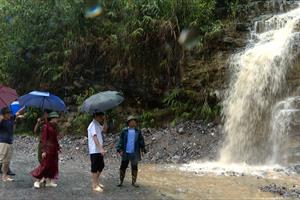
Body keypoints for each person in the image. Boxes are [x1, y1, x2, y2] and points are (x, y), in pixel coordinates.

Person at [31, 112, 61, 188]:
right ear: (53, 118)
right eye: (56, 118)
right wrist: (44, 150)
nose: (58, 119)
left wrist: (58, 147)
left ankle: (49, 181)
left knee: (53, 165)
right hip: (47, 149)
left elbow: (55, 139)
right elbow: (44, 139)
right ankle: (37, 181)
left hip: (53, 148)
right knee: (45, 165)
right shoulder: (46, 126)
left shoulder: (54, 127)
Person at [116, 115, 146, 187]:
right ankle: (121, 181)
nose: (133, 123)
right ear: (128, 123)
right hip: (126, 152)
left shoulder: (138, 131)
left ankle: (134, 182)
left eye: (134, 121)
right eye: (131, 121)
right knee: (123, 167)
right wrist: (119, 149)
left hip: (135, 152)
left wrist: (142, 149)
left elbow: (141, 141)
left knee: (134, 167)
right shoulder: (124, 131)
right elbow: (121, 141)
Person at [0, 107, 23, 181]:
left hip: (10, 142)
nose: (10, 114)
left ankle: (5, 176)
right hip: (2, 142)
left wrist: (26, 106)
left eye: (10, 113)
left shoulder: (11, 118)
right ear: (4, 114)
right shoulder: (1, 120)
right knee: (1, 159)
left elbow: (19, 112)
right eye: (8, 113)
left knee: (7, 161)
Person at [87, 111, 108, 192]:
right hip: (94, 150)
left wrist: (105, 120)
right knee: (95, 167)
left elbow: (105, 130)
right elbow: (95, 137)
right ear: (96, 116)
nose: (102, 117)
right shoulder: (92, 125)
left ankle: (96, 182)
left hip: (98, 150)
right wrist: (101, 149)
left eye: (102, 116)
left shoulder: (97, 124)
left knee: (101, 166)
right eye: (101, 116)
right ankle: (94, 185)